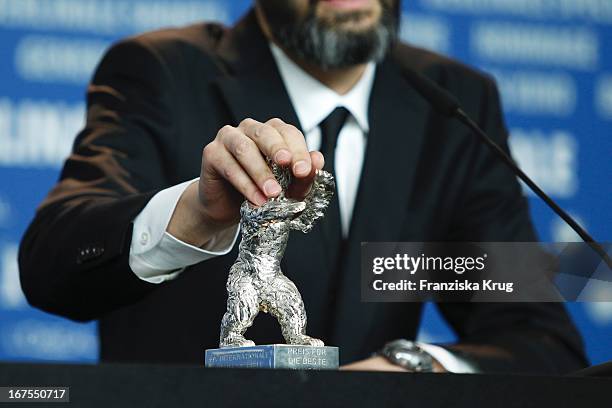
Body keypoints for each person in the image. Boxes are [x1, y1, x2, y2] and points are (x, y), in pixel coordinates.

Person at [19, 0, 587, 373]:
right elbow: (51, 265)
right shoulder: (161, 71)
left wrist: (415, 366)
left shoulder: (454, 101)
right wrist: (194, 215)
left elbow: (537, 337)